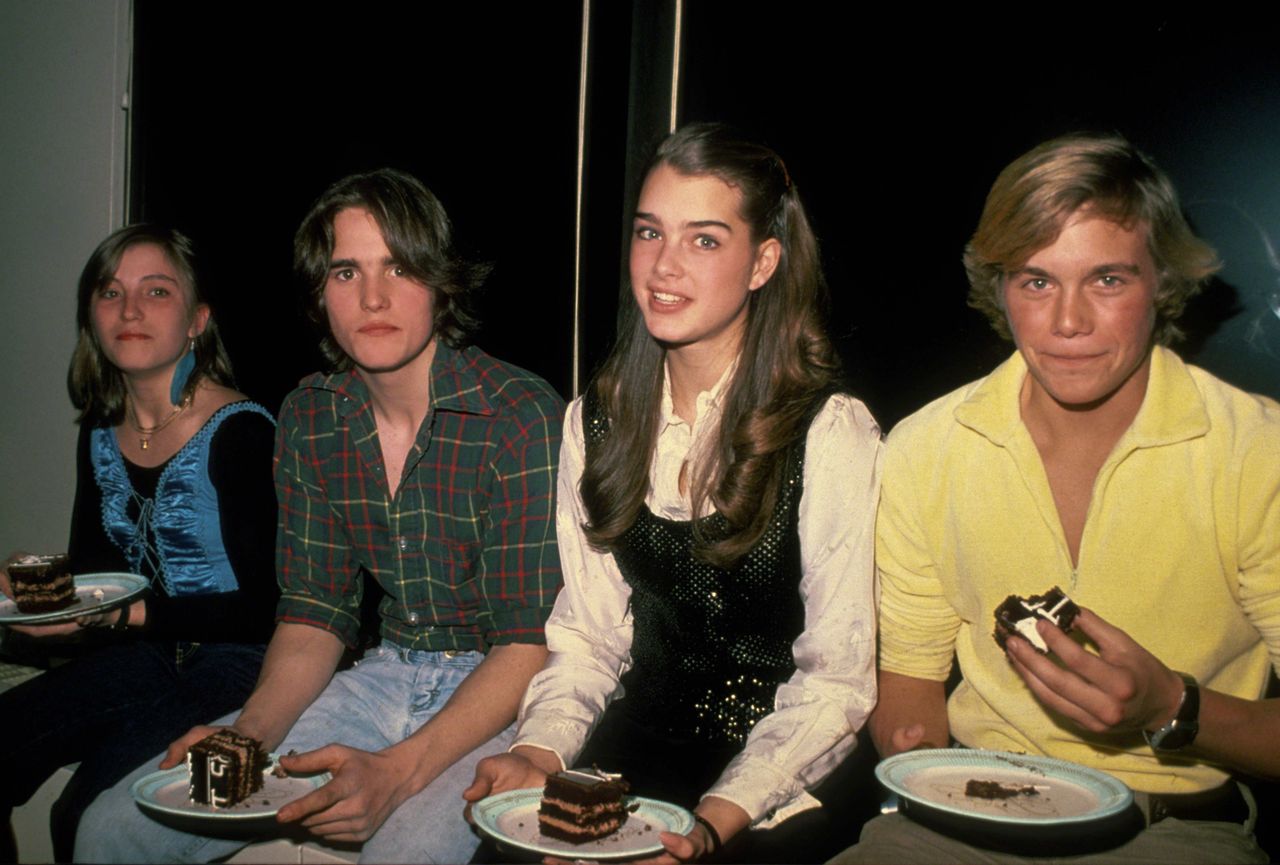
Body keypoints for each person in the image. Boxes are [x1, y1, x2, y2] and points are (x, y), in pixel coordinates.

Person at [77, 168, 564, 864]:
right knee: (111, 828)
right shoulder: (311, 416)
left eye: (398, 267)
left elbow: (526, 644)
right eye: (345, 272)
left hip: (503, 691)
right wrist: (249, 733)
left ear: (441, 282)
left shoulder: (518, 413)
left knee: (402, 850)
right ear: (320, 295)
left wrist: (398, 772)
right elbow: (313, 613)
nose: (372, 296)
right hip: (384, 673)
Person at [834, 133, 1280, 864]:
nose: (1067, 322)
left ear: (1161, 283)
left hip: (1174, 831)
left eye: (1107, 280)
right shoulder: (925, 447)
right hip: (957, 821)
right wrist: (911, 745)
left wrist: (1172, 706)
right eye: (1037, 281)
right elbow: (909, 683)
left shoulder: (1258, 455)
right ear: (999, 287)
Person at [465, 123, 882, 863]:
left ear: (763, 263)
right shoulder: (595, 420)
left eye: (704, 240)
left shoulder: (829, 431)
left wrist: (718, 819)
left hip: (775, 774)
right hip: (639, 747)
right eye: (649, 232)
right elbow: (591, 636)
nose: (663, 266)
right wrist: (540, 752)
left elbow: (836, 684)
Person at [0, 225, 277, 862]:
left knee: (81, 817)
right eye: (110, 292)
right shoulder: (99, 432)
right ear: (91, 318)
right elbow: (101, 578)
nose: (129, 309)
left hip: (238, 665)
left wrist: (123, 614)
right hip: (142, 653)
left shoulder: (244, 431)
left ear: (196, 320)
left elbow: (268, 605)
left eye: (156, 291)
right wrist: (39, 590)